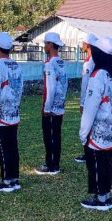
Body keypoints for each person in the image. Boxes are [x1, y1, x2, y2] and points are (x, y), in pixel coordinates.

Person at [79, 36, 112, 210]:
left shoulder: (98, 76)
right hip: (110, 128)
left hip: (97, 129)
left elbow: (90, 108)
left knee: (96, 164)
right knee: (106, 162)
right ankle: (106, 195)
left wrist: (83, 133)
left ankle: (101, 199)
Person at [0, 32, 24, 192]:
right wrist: (15, 106)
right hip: (13, 112)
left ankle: (7, 181)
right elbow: (20, 88)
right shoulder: (16, 65)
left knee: (2, 148)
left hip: (0, 115)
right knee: (12, 147)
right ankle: (14, 178)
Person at [37, 32, 68, 175]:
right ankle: (55, 163)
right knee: (56, 135)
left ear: (50, 45)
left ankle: (51, 165)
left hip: (51, 107)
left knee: (49, 136)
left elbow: (50, 87)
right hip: (60, 105)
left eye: (45, 44)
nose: (44, 46)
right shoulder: (61, 62)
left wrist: (47, 107)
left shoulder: (50, 64)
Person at [75, 33, 98, 164]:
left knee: (88, 126)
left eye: (83, 43)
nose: (81, 45)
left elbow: (85, 84)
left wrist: (82, 102)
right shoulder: (94, 59)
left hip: (89, 98)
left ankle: (89, 152)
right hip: (94, 97)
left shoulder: (90, 62)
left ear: (87, 44)